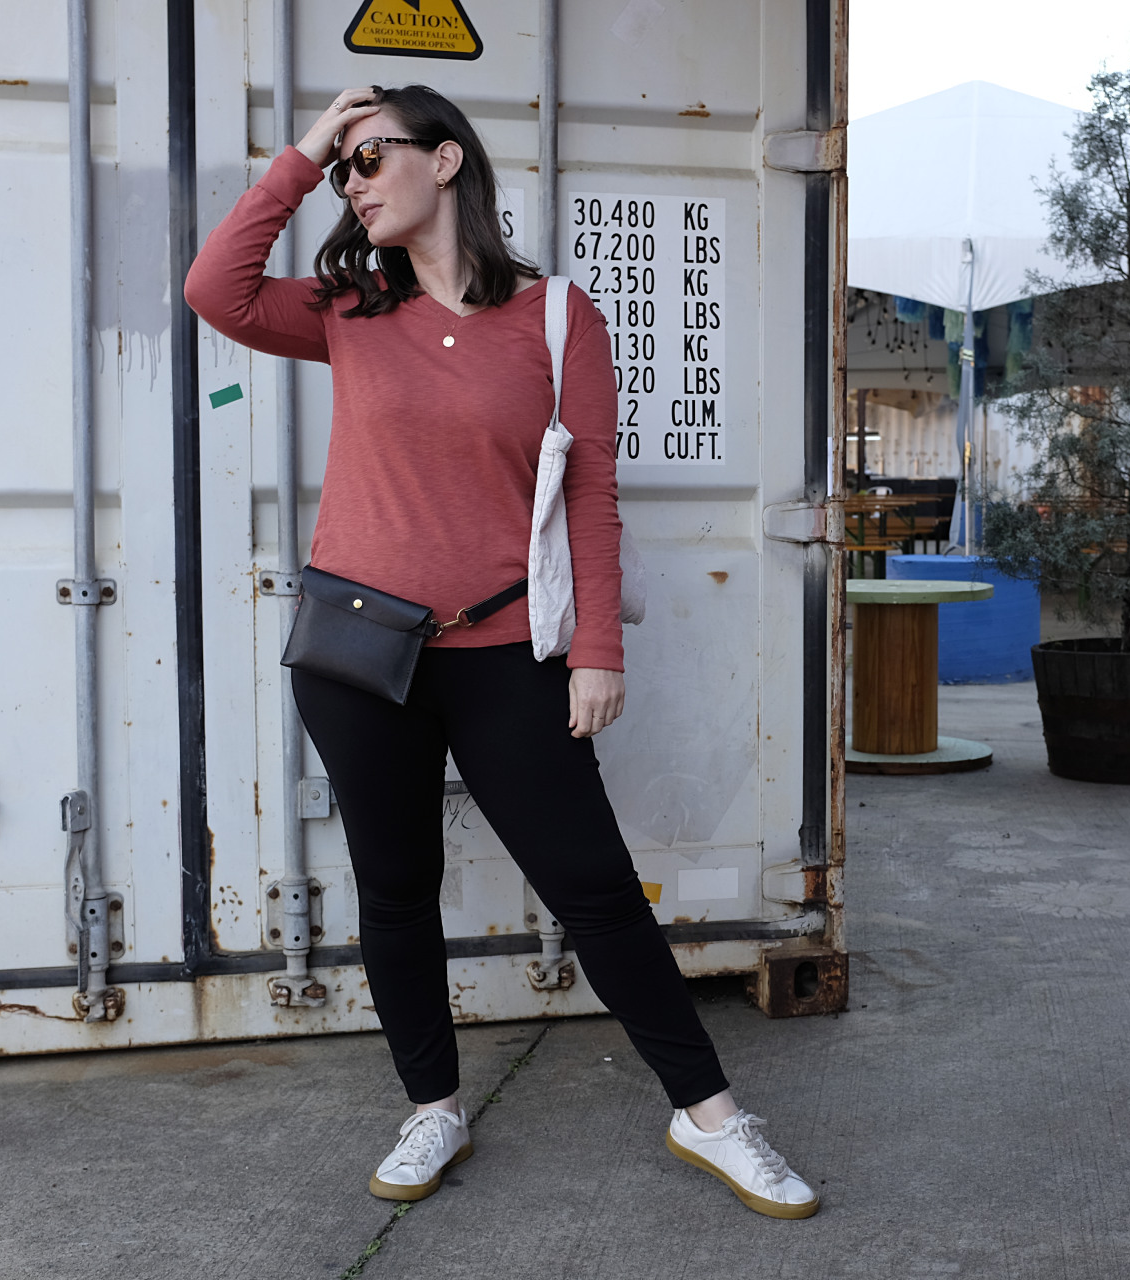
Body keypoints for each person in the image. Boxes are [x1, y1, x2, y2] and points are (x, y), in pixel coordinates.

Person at [183, 83, 817, 1220]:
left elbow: (593, 496)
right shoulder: (347, 308)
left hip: (504, 645)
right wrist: (307, 147)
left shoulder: (557, 317)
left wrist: (597, 649)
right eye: (345, 170)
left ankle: (709, 1114)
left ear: (447, 161)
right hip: (358, 652)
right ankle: (433, 1105)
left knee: (595, 889)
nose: (354, 183)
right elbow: (212, 288)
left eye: (373, 159)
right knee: (395, 887)